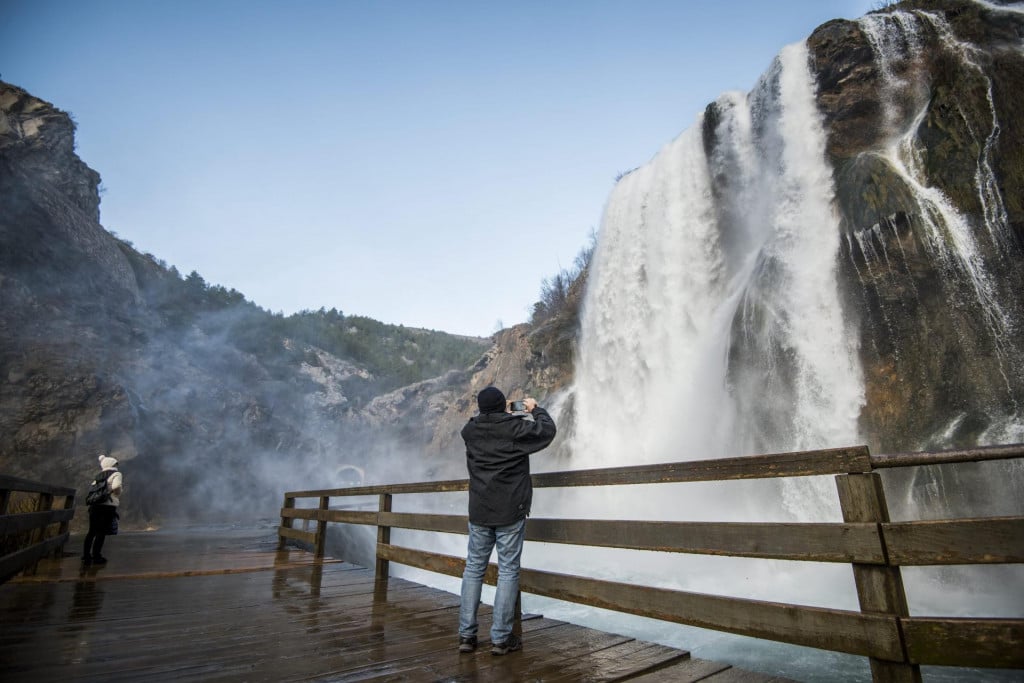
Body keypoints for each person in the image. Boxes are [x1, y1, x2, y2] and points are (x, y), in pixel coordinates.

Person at [457, 386, 556, 656]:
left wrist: (498, 412)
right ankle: (501, 639)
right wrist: (535, 409)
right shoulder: (514, 429)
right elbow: (547, 432)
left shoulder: (470, 431)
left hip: (479, 510)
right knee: (508, 571)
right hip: (510, 510)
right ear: (504, 407)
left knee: (474, 568)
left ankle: (466, 635)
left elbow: (477, 422)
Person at [82, 454, 122, 565]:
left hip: (95, 506)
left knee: (91, 532)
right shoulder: (116, 474)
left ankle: (86, 556)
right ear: (112, 465)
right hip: (107, 506)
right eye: (115, 464)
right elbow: (116, 487)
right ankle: (97, 556)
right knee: (101, 532)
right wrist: (116, 494)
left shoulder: (99, 475)